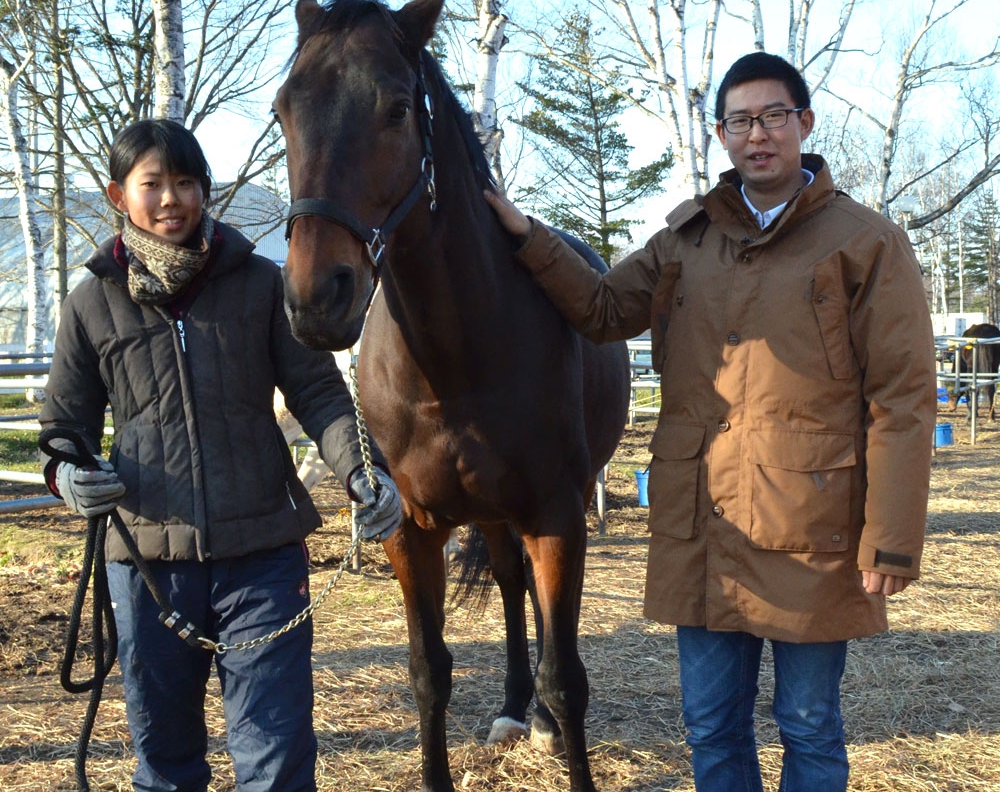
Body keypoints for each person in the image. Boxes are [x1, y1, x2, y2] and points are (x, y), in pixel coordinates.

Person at [485, 52, 936, 791]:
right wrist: (525, 231)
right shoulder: (686, 239)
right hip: (705, 525)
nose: (756, 134)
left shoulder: (866, 241)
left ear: (805, 124)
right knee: (711, 725)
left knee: (810, 725)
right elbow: (602, 309)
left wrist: (888, 538)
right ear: (722, 134)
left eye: (773, 117)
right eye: (739, 121)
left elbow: (904, 395)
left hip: (814, 526)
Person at [39, 118, 402, 792]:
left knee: (276, 756)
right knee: (166, 762)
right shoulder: (91, 303)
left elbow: (321, 394)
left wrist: (361, 469)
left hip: (262, 553)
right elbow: (65, 428)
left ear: (205, 191)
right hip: (148, 568)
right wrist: (69, 475)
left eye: (186, 182)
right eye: (154, 183)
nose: (171, 198)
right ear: (121, 195)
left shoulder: (261, 284)